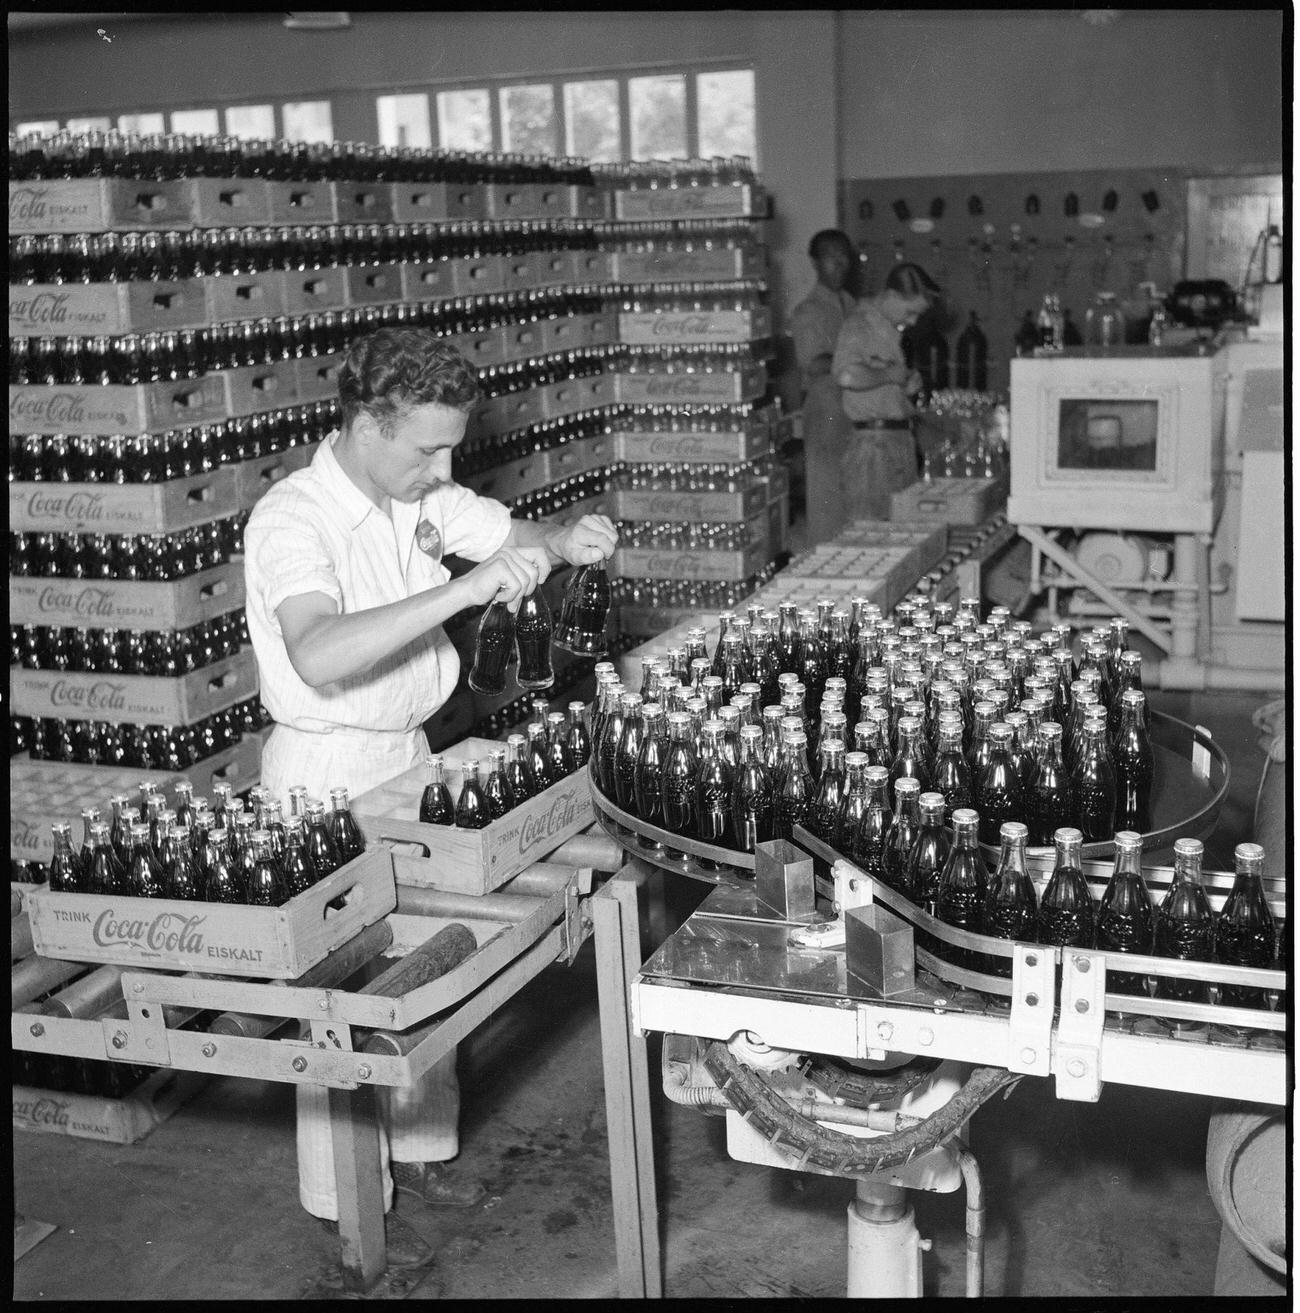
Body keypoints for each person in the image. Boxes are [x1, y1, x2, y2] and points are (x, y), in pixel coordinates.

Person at [243, 327, 617, 1264]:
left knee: (430, 964)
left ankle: (416, 1155)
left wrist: (562, 538)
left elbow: (515, 537)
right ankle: (347, 1206)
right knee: (341, 995)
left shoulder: (422, 497)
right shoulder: (294, 519)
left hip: (409, 758)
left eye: (452, 447)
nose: (444, 467)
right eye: (427, 448)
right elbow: (319, 651)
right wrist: (464, 593)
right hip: (326, 778)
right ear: (368, 424)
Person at [831, 261, 940, 520]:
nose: (913, 321)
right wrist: (890, 375)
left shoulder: (888, 330)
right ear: (891, 295)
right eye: (910, 312)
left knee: (901, 529)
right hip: (873, 449)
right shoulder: (860, 326)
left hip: (895, 442)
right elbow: (846, 375)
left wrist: (904, 387)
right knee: (871, 531)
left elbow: (878, 382)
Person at [789, 228, 859, 398]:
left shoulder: (851, 303)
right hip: (821, 399)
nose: (838, 263)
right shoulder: (808, 310)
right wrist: (860, 362)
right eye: (830, 257)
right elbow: (814, 366)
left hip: (851, 397)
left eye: (843, 255)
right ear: (815, 262)